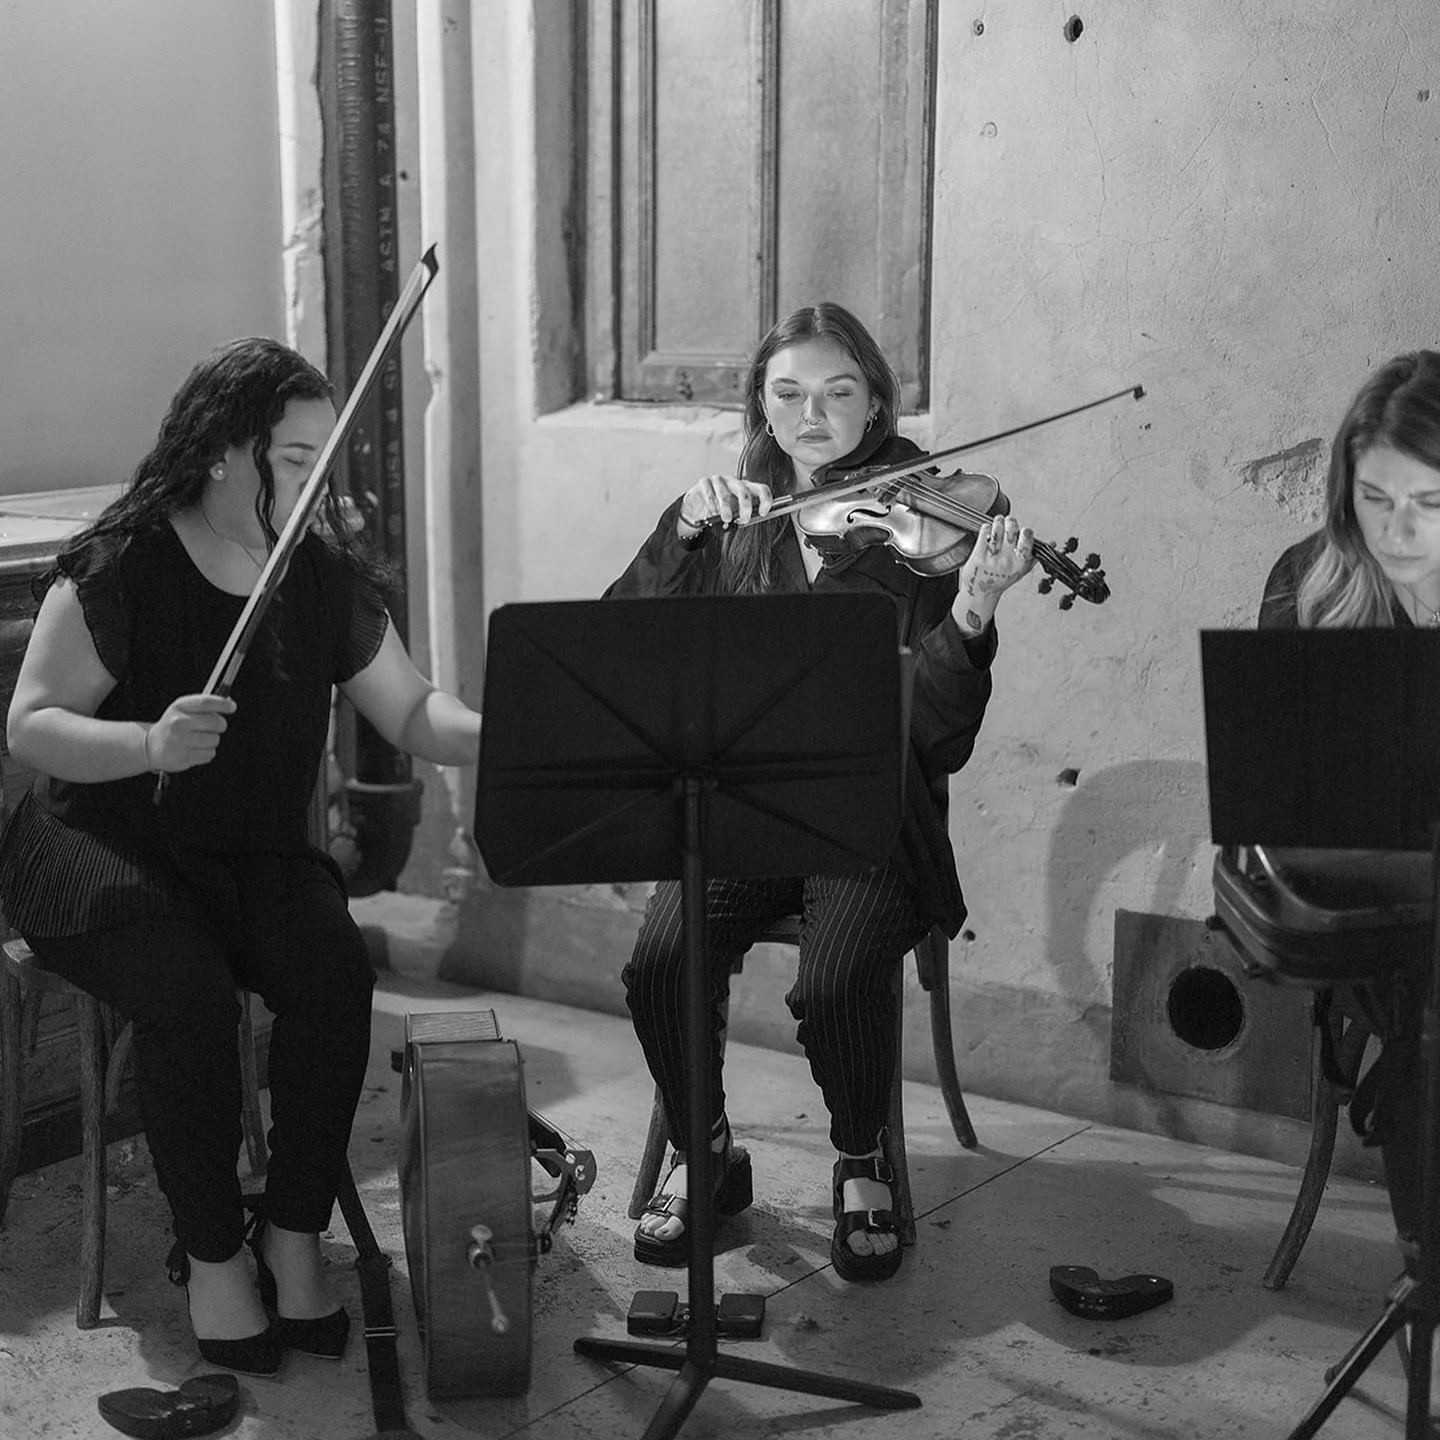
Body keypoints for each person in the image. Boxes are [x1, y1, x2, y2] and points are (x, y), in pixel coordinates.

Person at [0, 337, 481, 1375]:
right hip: (99, 842)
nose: (320, 484)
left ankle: (291, 1230)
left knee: (333, 972)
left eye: (323, 458)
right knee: (188, 991)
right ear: (224, 451)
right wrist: (146, 743)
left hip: (247, 851)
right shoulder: (124, 563)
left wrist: (495, 732)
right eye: (297, 458)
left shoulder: (315, 575)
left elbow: (408, 708)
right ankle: (213, 1253)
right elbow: (30, 726)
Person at [605, 303, 1035, 1282]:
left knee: (834, 982)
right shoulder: (732, 521)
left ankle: (859, 1154)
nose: (812, 413)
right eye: (789, 392)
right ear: (760, 400)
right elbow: (618, 640)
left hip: (870, 814)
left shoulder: (925, 521)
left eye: (839, 393)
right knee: (660, 960)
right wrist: (680, 533)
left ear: (876, 401)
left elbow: (939, 737)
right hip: (740, 806)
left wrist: (970, 607)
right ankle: (706, 1154)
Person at [1256, 348, 1440, 1272]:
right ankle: (1425, 1271)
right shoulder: (1312, 582)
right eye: (1377, 499)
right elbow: (1292, 810)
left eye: (1430, 502)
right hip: (1374, 908)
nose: (1399, 531)